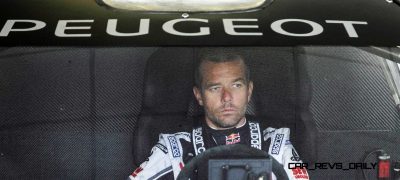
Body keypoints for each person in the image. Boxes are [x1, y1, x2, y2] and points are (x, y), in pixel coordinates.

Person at [128, 48, 309, 180]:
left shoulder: (276, 144)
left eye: (236, 85)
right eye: (215, 88)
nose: (227, 97)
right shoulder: (175, 147)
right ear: (199, 95)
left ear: (249, 91)